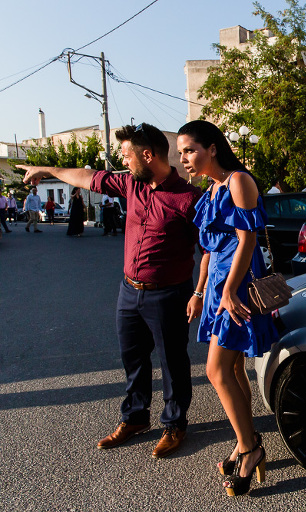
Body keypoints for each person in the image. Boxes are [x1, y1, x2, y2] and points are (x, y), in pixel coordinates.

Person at [19, 122, 202, 459]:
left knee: (173, 362)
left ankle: (175, 424)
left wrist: (200, 293)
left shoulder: (189, 198)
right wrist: (46, 168)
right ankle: (135, 418)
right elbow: (85, 177)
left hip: (170, 294)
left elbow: (210, 251)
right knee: (133, 358)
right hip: (129, 291)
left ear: (147, 156)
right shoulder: (131, 185)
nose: (123, 162)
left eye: (126, 156)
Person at [178, 120, 277, 497]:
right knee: (233, 369)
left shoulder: (238, 180)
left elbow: (247, 239)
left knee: (216, 370)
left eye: (190, 150)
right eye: (182, 151)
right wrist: (200, 291)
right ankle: (244, 441)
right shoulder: (212, 188)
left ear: (213, 148)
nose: (184, 158)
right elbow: (209, 250)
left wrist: (231, 290)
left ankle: (250, 449)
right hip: (219, 286)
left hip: (238, 285)